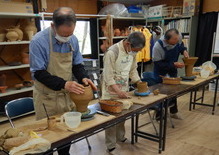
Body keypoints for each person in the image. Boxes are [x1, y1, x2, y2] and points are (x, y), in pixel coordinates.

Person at [30, 7, 96, 155]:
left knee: (66, 136)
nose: (67, 37)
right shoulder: (38, 42)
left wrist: (83, 77)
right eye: (64, 34)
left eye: (70, 33)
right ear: (53, 26)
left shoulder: (72, 39)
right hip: (46, 98)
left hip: (66, 95)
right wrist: (64, 84)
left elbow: (77, 64)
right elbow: (39, 73)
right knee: (47, 140)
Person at [101, 31, 146, 152]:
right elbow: (108, 76)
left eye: (137, 51)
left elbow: (133, 70)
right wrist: (117, 91)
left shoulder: (132, 52)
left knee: (122, 114)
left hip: (123, 87)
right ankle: (111, 145)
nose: (135, 52)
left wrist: (139, 82)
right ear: (127, 43)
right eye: (135, 50)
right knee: (111, 118)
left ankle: (120, 137)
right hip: (110, 90)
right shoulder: (112, 52)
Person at [152, 28, 189, 119]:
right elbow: (158, 63)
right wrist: (173, 64)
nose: (177, 41)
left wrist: (184, 50)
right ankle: (159, 115)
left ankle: (173, 112)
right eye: (174, 40)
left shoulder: (177, 39)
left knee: (173, 91)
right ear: (166, 39)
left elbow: (180, 45)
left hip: (172, 70)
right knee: (161, 93)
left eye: (177, 39)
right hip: (161, 71)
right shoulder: (158, 46)